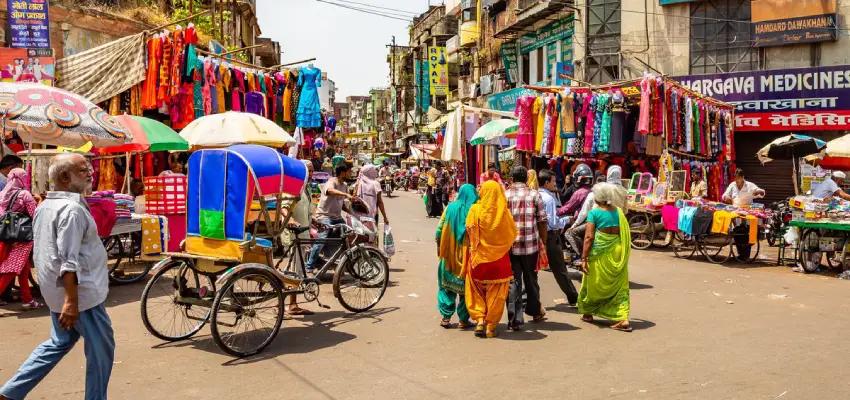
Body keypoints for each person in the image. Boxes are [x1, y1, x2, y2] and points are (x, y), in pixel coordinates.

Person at [0, 154, 114, 400]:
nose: (91, 173)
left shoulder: (46, 206)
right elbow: (68, 259)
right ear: (65, 177)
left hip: (58, 293)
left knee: (58, 342)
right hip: (81, 298)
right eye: (84, 170)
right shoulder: (70, 210)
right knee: (101, 352)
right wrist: (71, 302)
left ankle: (10, 392)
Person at [465, 181, 517, 338]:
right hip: (499, 262)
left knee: (476, 292)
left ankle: (480, 320)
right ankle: (491, 327)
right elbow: (512, 235)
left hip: (478, 261)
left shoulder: (475, 210)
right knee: (497, 295)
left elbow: (469, 232)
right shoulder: (504, 213)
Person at [578, 182, 632, 332]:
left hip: (599, 254)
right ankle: (622, 318)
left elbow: (589, 237)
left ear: (597, 199)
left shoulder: (594, 213)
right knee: (619, 285)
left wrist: (583, 258)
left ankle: (588, 313)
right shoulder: (619, 212)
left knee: (592, 283)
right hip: (617, 251)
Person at [504, 166, 548, 330]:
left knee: (514, 282)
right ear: (526, 178)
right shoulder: (534, 194)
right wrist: (543, 241)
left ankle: (514, 318)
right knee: (531, 279)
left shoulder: (505, 195)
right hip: (531, 246)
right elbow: (542, 221)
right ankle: (535, 312)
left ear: (512, 178)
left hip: (510, 246)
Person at [435, 184, 478, 329]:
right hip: (468, 256)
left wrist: (439, 250)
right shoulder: (474, 210)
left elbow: (439, 231)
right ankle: (463, 320)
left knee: (446, 287)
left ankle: (446, 318)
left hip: (449, 256)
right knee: (467, 290)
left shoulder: (450, 208)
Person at [565, 166, 627, 261]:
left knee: (571, 233)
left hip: (599, 220)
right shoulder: (624, 191)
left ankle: (584, 256)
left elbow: (584, 213)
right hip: (618, 222)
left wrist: (574, 225)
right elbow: (625, 210)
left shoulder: (602, 190)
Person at [0, 169, 42, 310]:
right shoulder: (25, 194)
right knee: (11, 270)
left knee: (24, 269)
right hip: (22, 236)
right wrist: (40, 201)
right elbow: (34, 215)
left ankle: (27, 300)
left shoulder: (3, 193)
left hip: (6, 234)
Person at [306, 161, 356, 271]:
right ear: (342, 173)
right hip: (324, 217)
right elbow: (329, 191)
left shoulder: (345, 185)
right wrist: (346, 194)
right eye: (349, 171)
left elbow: (341, 203)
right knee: (322, 240)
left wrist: (352, 213)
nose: (351, 173)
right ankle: (309, 266)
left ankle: (341, 262)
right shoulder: (331, 181)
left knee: (351, 234)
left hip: (337, 218)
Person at [538, 170, 579, 305]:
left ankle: (532, 302)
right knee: (560, 269)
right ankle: (573, 297)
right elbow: (553, 223)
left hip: (536, 236)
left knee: (532, 271)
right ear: (546, 183)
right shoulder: (549, 199)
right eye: (554, 181)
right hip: (549, 237)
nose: (555, 184)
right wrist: (567, 220)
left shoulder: (535, 195)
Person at [281, 160, 315, 317]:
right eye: (308, 170)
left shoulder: (305, 188)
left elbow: (308, 211)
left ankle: (283, 303)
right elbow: (283, 208)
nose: (311, 173)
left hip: (303, 235)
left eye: (312, 171)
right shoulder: (293, 186)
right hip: (293, 236)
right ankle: (292, 305)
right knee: (294, 273)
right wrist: (291, 220)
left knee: (294, 271)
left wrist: (316, 223)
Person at [353, 164, 389, 229]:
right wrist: (385, 217)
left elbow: (353, 197)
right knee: (373, 234)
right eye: (373, 170)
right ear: (370, 172)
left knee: (362, 234)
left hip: (360, 215)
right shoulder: (375, 184)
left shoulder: (358, 183)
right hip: (373, 215)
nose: (375, 171)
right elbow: (380, 202)